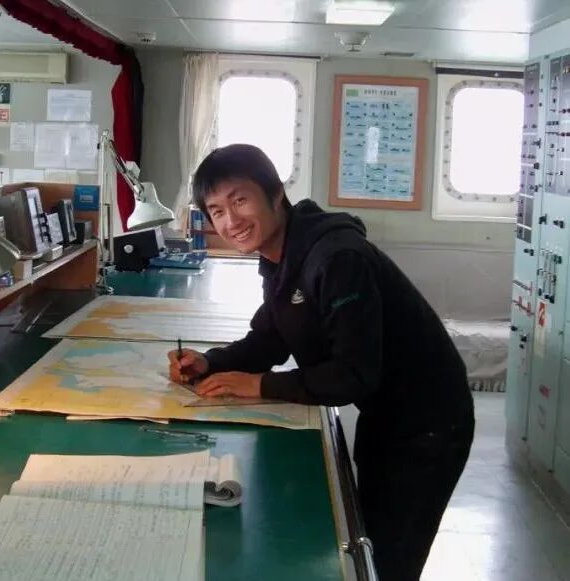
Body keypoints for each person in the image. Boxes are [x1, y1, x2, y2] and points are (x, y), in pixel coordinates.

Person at [168, 144, 474, 581]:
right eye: (217, 210)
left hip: (429, 423)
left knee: (388, 561)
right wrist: (208, 362)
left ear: (276, 194)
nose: (231, 220)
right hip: (385, 413)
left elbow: (353, 375)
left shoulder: (336, 258)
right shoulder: (282, 256)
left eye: (240, 200)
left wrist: (259, 385)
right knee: (368, 539)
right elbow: (271, 338)